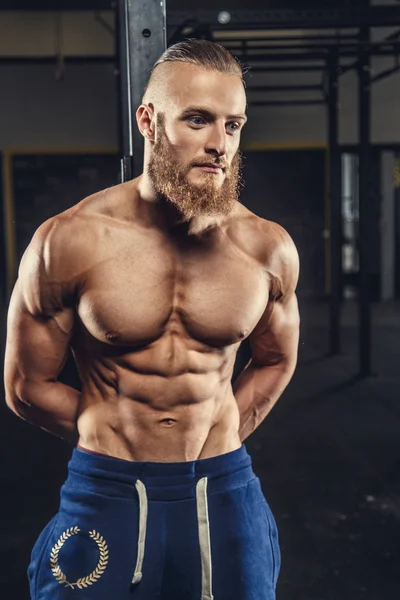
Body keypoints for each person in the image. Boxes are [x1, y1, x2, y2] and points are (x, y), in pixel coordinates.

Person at [4, 40, 300, 600]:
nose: (219, 144)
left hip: (222, 487)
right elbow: (25, 386)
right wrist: (115, 430)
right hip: (107, 487)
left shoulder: (266, 247)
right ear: (149, 120)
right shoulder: (69, 241)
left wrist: (218, 427)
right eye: (197, 120)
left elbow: (277, 358)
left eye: (233, 126)